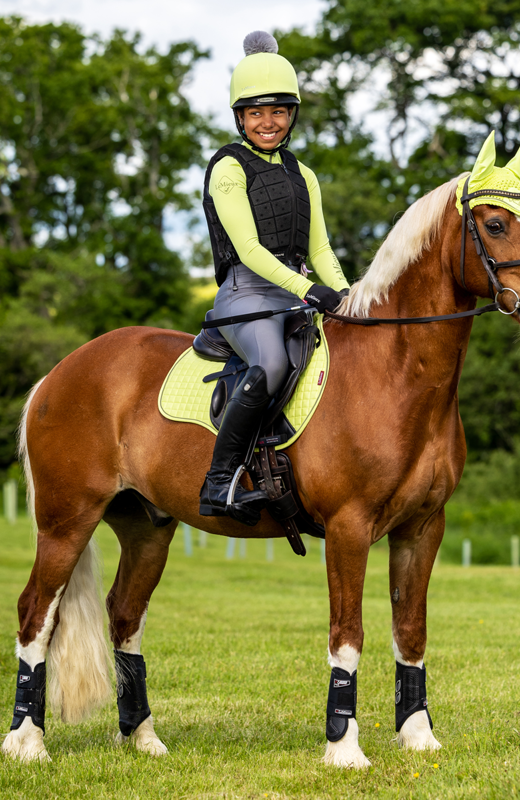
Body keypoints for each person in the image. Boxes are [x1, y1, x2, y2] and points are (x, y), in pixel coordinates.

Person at [198, 31, 349, 526]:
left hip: (294, 296)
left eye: (279, 111)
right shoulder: (227, 167)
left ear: (292, 115)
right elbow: (249, 249)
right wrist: (309, 289)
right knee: (272, 364)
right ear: (240, 118)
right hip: (245, 293)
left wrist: (347, 296)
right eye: (256, 112)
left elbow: (320, 249)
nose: (268, 122)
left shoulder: (304, 174)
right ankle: (219, 482)